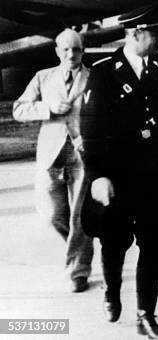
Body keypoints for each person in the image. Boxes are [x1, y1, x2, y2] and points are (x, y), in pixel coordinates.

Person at [80, 5, 158, 339]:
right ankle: (112, 291)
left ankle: (146, 315)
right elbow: (90, 129)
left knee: (152, 243)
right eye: (156, 33)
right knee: (114, 243)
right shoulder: (104, 72)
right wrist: (97, 176)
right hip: (117, 174)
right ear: (137, 33)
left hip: (155, 174)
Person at [13, 29, 93, 293]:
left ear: (83, 51)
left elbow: (105, 113)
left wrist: (90, 137)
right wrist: (46, 109)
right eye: (66, 49)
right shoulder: (43, 78)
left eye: (77, 49)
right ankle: (78, 247)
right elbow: (19, 109)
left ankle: (78, 271)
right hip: (51, 155)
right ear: (58, 52)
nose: (72, 54)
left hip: (81, 155)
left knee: (80, 216)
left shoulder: (93, 78)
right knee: (52, 214)